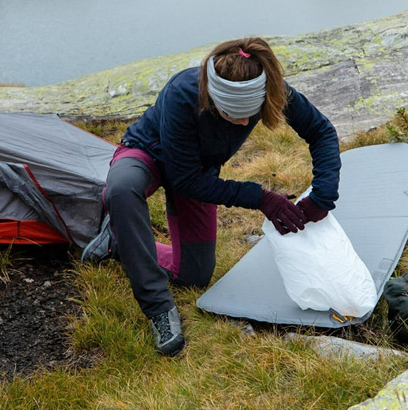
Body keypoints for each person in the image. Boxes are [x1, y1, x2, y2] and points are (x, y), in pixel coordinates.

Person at [81, 37, 341, 357]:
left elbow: (321, 132)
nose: (245, 123)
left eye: (252, 114)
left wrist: (323, 196)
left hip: (197, 171)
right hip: (147, 154)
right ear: (214, 99)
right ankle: (159, 309)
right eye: (234, 115)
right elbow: (184, 180)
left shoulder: (271, 88)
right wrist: (260, 197)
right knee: (121, 190)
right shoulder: (183, 92)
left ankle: (117, 242)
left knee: (193, 276)